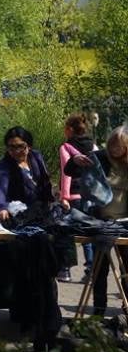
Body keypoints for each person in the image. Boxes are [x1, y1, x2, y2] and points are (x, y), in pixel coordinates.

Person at [64, 125, 128, 316]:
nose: (115, 149)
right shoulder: (99, 157)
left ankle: (126, 306)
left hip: (125, 221)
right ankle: (99, 309)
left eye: (119, 146)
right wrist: (74, 161)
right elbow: (70, 171)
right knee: (100, 268)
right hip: (101, 221)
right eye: (113, 144)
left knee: (127, 266)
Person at [59, 112, 97, 282]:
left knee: (67, 230)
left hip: (73, 194)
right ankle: (90, 269)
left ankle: (65, 270)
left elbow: (66, 174)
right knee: (87, 231)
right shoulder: (94, 147)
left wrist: (64, 197)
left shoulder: (66, 147)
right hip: (91, 195)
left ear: (69, 130)